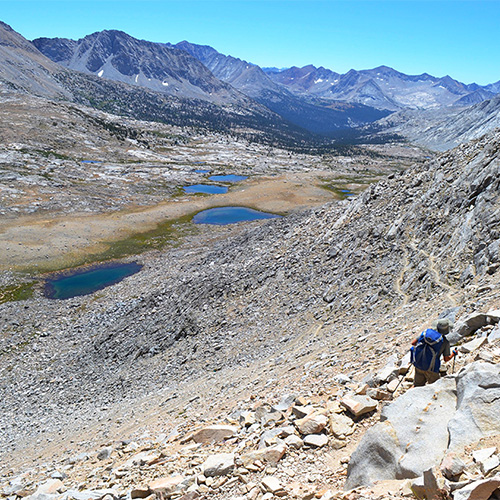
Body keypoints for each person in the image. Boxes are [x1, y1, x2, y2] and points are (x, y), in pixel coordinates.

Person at [411, 318, 458, 387]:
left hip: (419, 364)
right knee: (434, 386)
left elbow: (413, 343)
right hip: (432, 368)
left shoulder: (426, 334)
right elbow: (446, 359)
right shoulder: (445, 342)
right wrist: (453, 354)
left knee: (417, 385)